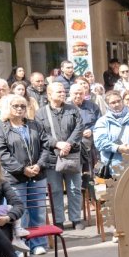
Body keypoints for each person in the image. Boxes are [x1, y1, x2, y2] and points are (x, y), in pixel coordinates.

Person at [0, 94, 52, 255]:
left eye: (22, 106)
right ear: (8, 108)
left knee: (37, 210)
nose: (19, 109)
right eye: (15, 106)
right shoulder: (0, 128)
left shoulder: (35, 125)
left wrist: (39, 165)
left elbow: (46, 146)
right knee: (18, 212)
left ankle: (38, 243)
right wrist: (22, 169)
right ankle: (20, 246)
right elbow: (2, 153)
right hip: (15, 177)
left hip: (38, 175)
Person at [38, 82, 85, 230]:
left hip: (72, 155)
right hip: (52, 157)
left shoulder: (73, 109)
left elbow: (79, 127)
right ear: (49, 94)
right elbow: (40, 134)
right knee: (56, 189)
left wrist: (68, 144)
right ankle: (58, 219)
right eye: (59, 92)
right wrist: (57, 144)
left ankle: (76, 218)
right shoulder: (41, 113)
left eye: (64, 91)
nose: (63, 94)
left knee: (74, 188)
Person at [93, 90, 129, 177]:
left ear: (122, 101)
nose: (117, 104)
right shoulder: (102, 121)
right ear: (108, 105)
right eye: (113, 102)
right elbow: (99, 142)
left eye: (119, 101)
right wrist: (117, 148)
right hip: (113, 168)